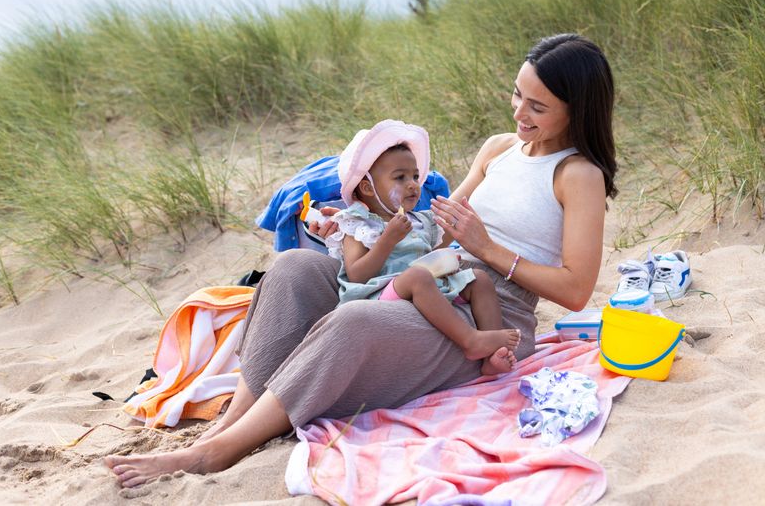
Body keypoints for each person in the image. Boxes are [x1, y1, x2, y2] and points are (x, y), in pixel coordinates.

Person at [105, 33, 617, 488]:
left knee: (351, 322)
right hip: (420, 277)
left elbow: (574, 290)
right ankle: (233, 420)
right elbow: (432, 223)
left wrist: (486, 249)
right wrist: (351, 222)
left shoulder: (577, 175)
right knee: (293, 270)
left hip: (485, 314)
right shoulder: (498, 149)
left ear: (577, 110)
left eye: (537, 107)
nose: (518, 113)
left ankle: (221, 451)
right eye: (516, 95)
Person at [326, 119, 520, 375]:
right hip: (379, 296)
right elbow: (357, 274)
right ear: (367, 187)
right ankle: (470, 341)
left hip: (426, 286)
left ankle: (491, 352)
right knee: (418, 276)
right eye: (400, 177)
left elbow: (435, 246)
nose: (413, 184)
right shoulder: (359, 224)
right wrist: (388, 240)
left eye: (415, 176)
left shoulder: (420, 220)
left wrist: (455, 227)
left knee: (479, 279)